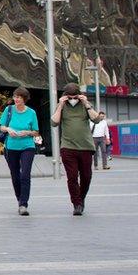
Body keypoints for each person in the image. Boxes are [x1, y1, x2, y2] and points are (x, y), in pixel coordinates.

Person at [52, 83, 100, 216]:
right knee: (72, 177)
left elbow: (96, 119)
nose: (73, 99)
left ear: (79, 95)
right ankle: (77, 204)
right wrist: (60, 105)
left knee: (86, 176)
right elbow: (54, 122)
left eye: (75, 97)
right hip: (68, 147)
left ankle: (81, 197)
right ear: (65, 96)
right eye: (70, 97)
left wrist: (86, 104)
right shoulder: (62, 106)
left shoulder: (85, 105)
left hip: (85, 147)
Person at [0, 87, 39, 216]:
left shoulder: (31, 113)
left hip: (27, 146)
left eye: (19, 97)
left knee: (25, 174)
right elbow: (1, 126)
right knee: (15, 175)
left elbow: (36, 131)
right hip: (11, 147)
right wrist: (8, 129)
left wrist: (27, 132)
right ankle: (19, 199)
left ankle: (23, 204)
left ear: (24, 99)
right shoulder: (8, 110)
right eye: (15, 97)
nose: (16, 99)